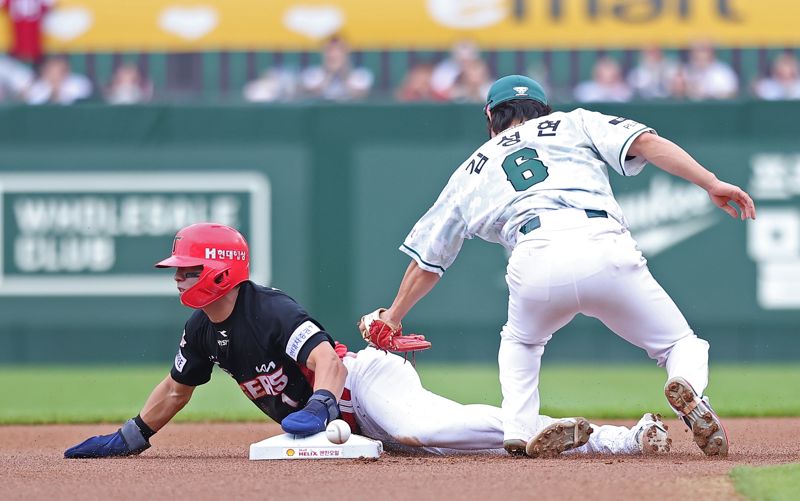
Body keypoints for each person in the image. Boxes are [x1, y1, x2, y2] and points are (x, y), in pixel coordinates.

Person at [359, 74, 756, 458]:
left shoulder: (471, 168)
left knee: (522, 343)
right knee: (678, 344)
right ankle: (684, 383)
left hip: (534, 254)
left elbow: (428, 259)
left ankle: (518, 428)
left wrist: (392, 317)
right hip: (602, 243)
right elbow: (648, 144)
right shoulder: (573, 122)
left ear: (489, 116)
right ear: (544, 109)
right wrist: (710, 182)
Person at [64, 223, 670, 459]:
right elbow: (176, 389)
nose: (178, 277)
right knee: (453, 446)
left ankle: (607, 435)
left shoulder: (268, 308)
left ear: (222, 268)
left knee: (427, 431)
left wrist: (324, 404)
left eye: (187, 269)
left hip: (363, 381)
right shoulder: (202, 330)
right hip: (347, 417)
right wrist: (132, 436)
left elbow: (325, 359)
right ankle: (624, 439)